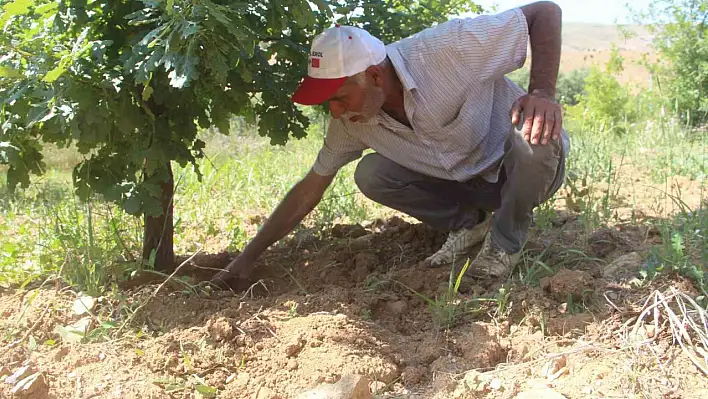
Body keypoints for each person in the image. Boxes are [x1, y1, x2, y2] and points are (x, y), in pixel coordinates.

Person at [212, 1, 569, 287]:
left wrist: (541, 93)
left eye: (339, 97)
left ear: (373, 76)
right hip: (466, 187)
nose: (334, 111)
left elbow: (544, 13)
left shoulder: (448, 50)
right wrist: (247, 256)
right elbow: (309, 188)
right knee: (371, 173)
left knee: (533, 137)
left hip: (521, 172)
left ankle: (504, 243)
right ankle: (469, 224)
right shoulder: (350, 122)